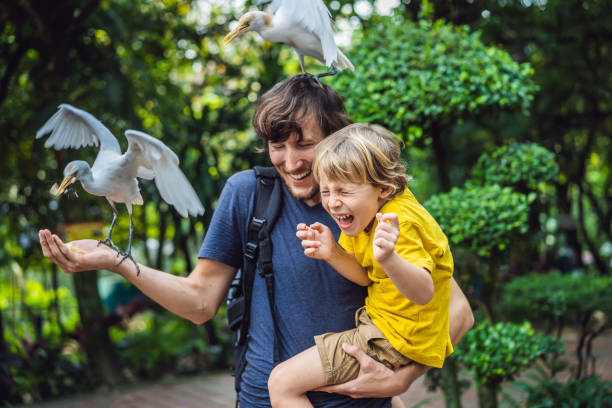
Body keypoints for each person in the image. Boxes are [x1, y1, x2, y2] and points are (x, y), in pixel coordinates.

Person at [38, 75, 473, 407]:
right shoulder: (249, 194)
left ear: (337, 136)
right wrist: (117, 261)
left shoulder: (368, 201)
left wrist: (403, 377)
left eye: (305, 145)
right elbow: (199, 302)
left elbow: (455, 309)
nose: (290, 162)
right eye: (276, 146)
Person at [267, 123, 453, 407]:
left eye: (344, 191)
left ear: (384, 188)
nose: (332, 203)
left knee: (281, 383)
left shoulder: (398, 222)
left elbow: (423, 292)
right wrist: (333, 253)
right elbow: (367, 277)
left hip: (396, 337)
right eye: (326, 191)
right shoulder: (362, 215)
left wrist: (390, 258)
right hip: (387, 327)